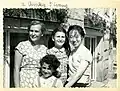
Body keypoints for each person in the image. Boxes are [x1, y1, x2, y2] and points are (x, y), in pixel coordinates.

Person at [14, 20, 47, 88]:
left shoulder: (45, 49)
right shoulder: (22, 46)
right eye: (31, 31)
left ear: (42, 33)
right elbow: (16, 68)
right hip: (25, 82)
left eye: (36, 31)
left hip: (40, 83)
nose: (33, 34)